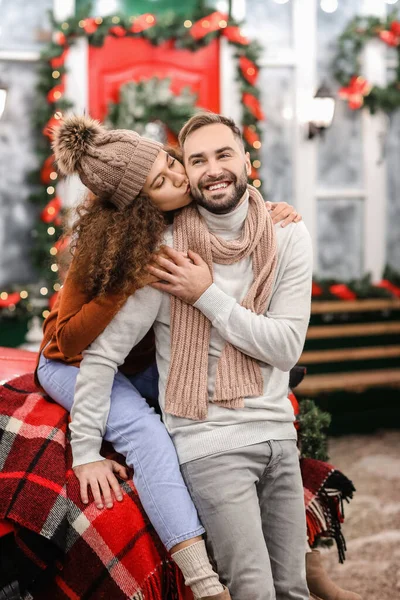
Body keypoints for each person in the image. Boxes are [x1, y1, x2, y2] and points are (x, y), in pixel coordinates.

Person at [36, 115, 301, 600]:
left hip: (137, 364)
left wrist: (270, 209)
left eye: (171, 163)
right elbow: (74, 345)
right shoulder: (116, 251)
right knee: (148, 435)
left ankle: (311, 577)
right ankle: (204, 582)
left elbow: (232, 197)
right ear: (138, 207)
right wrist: (86, 453)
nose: (181, 176)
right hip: (68, 359)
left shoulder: (186, 221)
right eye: (162, 181)